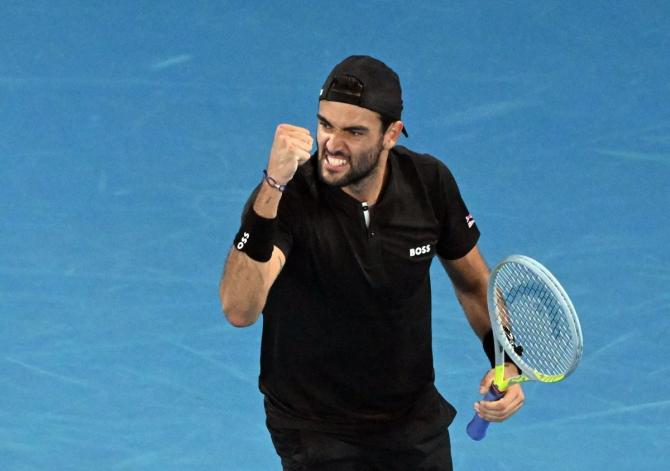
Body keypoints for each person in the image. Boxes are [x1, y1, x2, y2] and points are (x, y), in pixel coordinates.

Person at [219, 55, 524, 470]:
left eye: (354, 131)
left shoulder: (429, 183)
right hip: (317, 430)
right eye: (326, 125)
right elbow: (239, 308)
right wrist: (272, 187)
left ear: (391, 135)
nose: (332, 144)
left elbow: (473, 283)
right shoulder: (290, 198)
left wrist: (505, 361)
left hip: (412, 422)